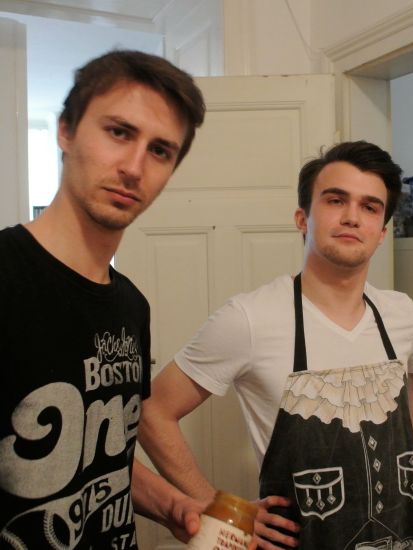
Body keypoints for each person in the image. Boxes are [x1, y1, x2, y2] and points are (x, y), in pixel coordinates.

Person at [138, 141, 413, 549]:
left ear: (382, 234)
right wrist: (216, 508)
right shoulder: (250, 319)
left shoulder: (400, 314)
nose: (352, 217)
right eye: (336, 200)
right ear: (303, 218)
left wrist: (411, 462)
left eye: (370, 207)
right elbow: (152, 411)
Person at [0, 49, 207, 549]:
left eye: (160, 151)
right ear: (66, 131)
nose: (134, 168)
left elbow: (97, 458)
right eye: (119, 132)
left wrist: (170, 503)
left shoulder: (131, 307)